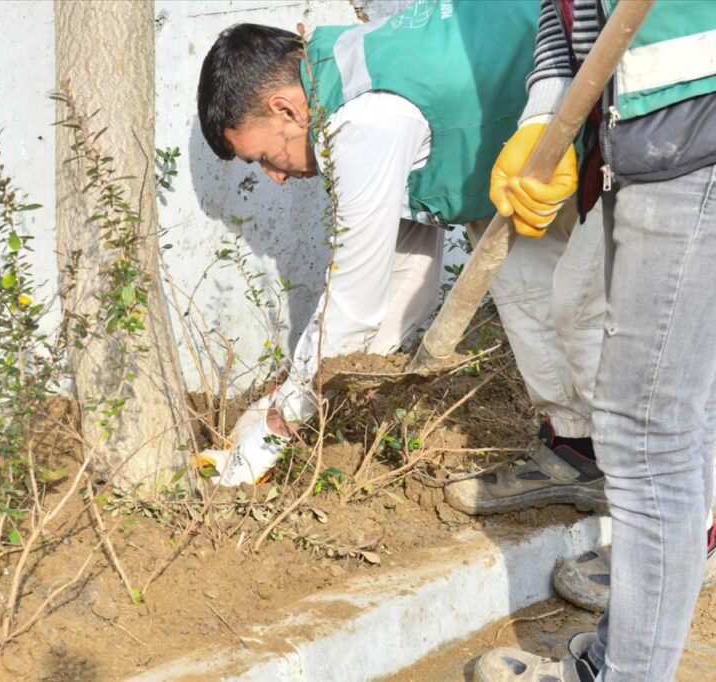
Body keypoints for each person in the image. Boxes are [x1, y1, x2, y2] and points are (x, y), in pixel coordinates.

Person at [192, 2, 611, 505]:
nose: (275, 176)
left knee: (587, 314)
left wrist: (278, 421)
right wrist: (341, 378)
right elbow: (405, 277)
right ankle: (579, 450)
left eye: (263, 157)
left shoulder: (363, 122)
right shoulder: (346, 67)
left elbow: (357, 299)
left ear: (286, 109)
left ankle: (662, 490)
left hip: (618, 120)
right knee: (522, 290)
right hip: (523, 150)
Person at [473, 0, 716, 680]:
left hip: (692, 117)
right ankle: (616, 661)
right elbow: (567, 13)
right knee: (681, 420)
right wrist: (540, 120)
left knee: (646, 433)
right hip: (645, 130)